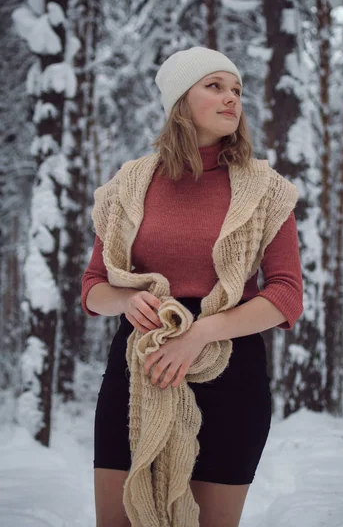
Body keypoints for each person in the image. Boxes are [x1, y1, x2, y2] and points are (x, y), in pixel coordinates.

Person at [81, 46, 303, 527]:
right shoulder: (131, 183)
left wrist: (200, 333)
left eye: (237, 90)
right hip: (138, 370)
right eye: (215, 86)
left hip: (229, 374)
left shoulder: (265, 189)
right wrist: (125, 298)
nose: (232, 99)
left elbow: (285, 293)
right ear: (181, 100)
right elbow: (93, 287)